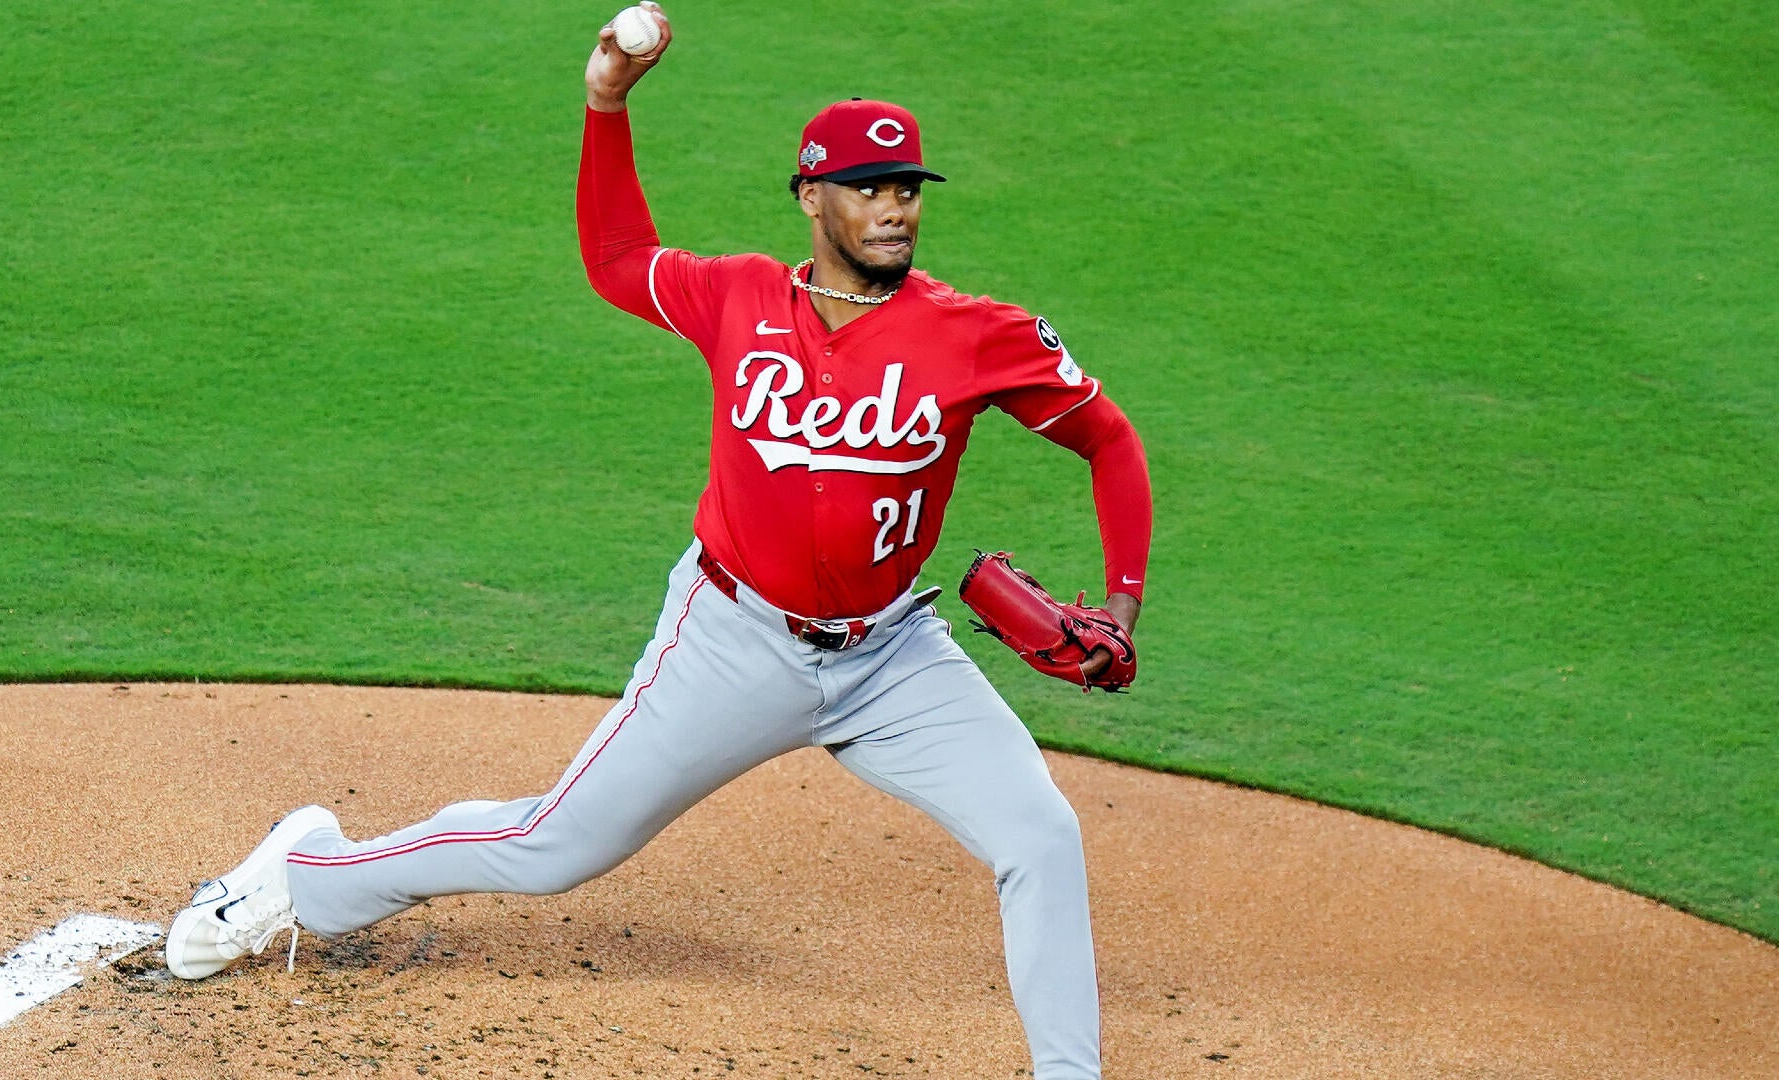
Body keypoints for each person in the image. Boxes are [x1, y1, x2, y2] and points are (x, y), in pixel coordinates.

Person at [163, 6, 1151, 1078]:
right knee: (553, 846)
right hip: (734, 641)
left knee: (1040, 835)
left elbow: (1108, 439)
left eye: (907, 187)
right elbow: (617, 258)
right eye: (868, 187)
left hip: (892, 657)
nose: (894, 208)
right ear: (812, 196)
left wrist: (1123, 600)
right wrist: (607, 104)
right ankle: (306, 872)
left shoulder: (977, 333)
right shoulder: (738, 297)